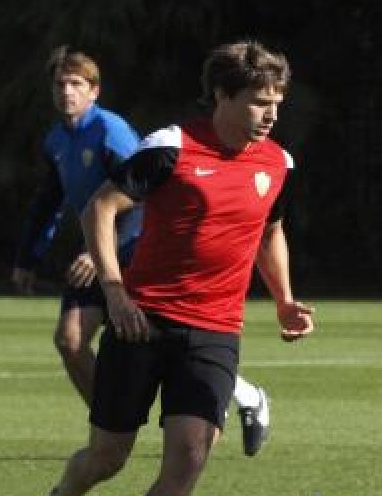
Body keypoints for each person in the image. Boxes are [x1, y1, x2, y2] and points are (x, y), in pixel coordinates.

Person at [49, 40, 315, 496]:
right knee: (107, 457)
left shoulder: (278, 163)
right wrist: (114, 291)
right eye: (258, 102)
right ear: (222, 95)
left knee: (189, 460)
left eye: (276, 103)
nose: (271, 115)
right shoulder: (171, 147)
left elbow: (271, 232)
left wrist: (284, 300)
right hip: (142, 322)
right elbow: (100, 208)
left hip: (215, 329)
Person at [13, 47, 273, 454]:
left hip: (134, 252)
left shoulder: (111, 132)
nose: (66, 92)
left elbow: (145, 196)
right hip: (100, 251)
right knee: (71, 340)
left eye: (76, 84)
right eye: (60, 84)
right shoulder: (57, 139)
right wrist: (28, 258)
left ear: (94, 90)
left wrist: (105, 250)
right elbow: (49, 200)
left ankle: (243, 396)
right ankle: (112, 435)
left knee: (151, 342)